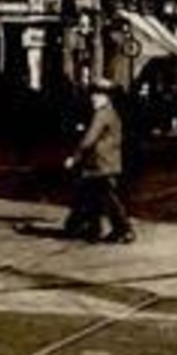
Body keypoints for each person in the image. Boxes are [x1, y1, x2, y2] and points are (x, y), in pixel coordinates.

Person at [63, 80, 135, 243]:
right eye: (93, 94)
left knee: (106, 198)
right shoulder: (111, 113)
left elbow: (89, 140)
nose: (93, 98)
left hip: (100, 164)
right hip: (105, 162)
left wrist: (73, 158)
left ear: (107, 97)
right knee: (96, 195)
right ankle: (94, 228)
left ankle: (123, 229)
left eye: (98, 95)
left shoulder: (102, 114)